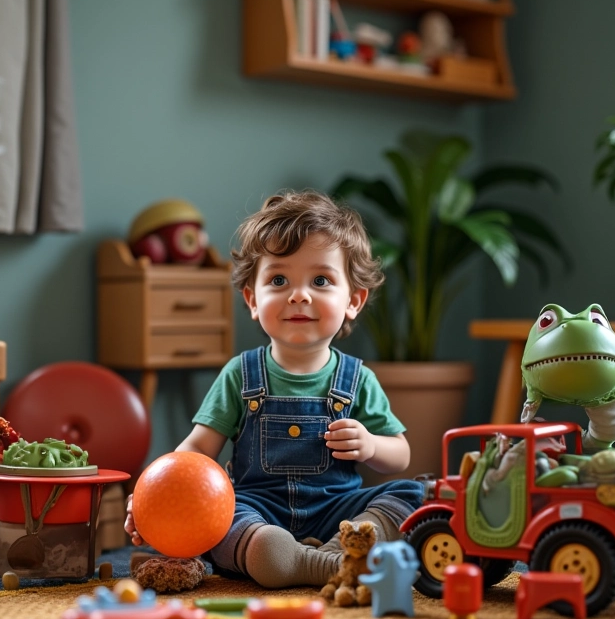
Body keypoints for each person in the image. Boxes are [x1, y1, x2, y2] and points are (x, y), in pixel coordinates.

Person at [125, 190, 425, 588]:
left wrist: (371, 445)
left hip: (339, 511)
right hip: (258, 510)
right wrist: (156, 495)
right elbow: (198, 450)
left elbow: (400, 452)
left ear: (353, 300)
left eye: (320, 280)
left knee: (414, 494)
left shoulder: (357, 379)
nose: (298, 294)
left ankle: (334, 551)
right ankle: (305, 560)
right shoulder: (240, 374)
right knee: (222, 520)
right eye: (279, 279)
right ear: (253, 298)